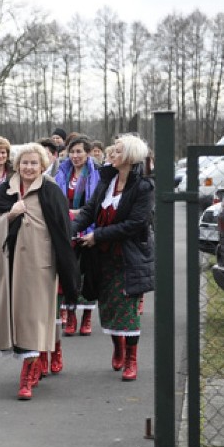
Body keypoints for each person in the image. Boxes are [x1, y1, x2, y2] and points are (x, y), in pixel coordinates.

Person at [0, 143, 79, 400]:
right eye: (24, 163)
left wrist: (68, 271)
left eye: (34, 163)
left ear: (42, 166)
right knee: (15, 320)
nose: (28, 167)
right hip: (8, 267)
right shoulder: (6, 191)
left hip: (39, 268)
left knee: (32, 321)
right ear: (17, 165)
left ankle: (27, 378)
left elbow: (63, 234)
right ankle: (35, 362)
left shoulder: (52, 192)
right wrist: (10, 214)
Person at [72, 134, 155, 381]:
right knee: (107, 306)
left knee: (128, 309)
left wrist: (98, 235)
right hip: (103, 258)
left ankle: (131, 358)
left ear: (129, 156)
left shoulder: (143, 187)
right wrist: (72, 228)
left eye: (117, 150)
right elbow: (90, 210)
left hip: (128, 258)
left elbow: (135, 223)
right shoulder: (107, 180)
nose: (111, 153)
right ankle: (118, 346)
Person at [55, 135, 101, 337]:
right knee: (68, 274)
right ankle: (71, 315)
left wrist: (81, 213)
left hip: (88, 229)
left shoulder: (96, 174)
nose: (75, 156)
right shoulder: (61, 173)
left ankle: (87, 318)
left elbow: (98, 203)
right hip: (67, 229)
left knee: (87, 275)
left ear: (88, 153)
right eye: (72, 152)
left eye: (79, 151)